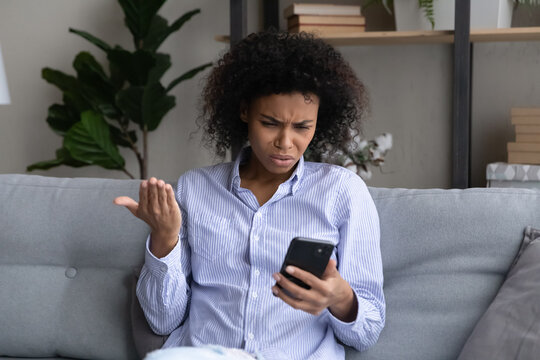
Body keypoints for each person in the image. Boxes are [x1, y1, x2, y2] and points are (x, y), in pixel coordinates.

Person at [114, 30, 385, 360]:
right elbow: (161, 320)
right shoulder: (194, 189)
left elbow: (368, 330)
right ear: (244, 112)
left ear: (320, 121)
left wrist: (341, 297)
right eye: (270, 123)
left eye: (302, 127)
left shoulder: (343, 192)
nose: (285, 142)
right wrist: (164, 237)